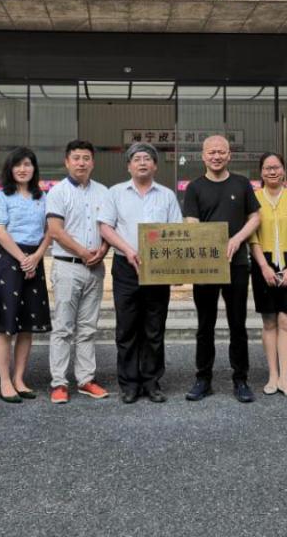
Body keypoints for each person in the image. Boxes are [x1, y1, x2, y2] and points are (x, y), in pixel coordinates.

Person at [99, 142, 183, 404]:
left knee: (154, 327)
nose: (142, 162)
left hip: (158, 267)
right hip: (126, 266)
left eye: (147, 158)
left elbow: (177, 231)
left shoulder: (167, 195)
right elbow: (105, 227)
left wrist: (174, 269)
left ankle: (151, 381)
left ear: (155, 166)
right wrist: (127, 249)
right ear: (129, 166)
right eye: (137, 159)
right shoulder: (115, 193)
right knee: (127, 327)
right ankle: (129, 384)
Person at [183, 135, 261, 403]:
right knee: (205, 325)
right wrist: (211, 243)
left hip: (237, 263)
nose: (216, 156)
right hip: (205, 265)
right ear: (203, 156)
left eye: (221, 152)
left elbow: (255, 217)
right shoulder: (194, 187)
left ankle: (241, 379)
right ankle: (203, 379)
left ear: (229, 155)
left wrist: (237, 239)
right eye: (211, 152)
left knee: (237, 324)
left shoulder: (242, 184)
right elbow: (191, 222)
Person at [45, 140, 111, 403]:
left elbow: (109, 227)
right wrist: (84, 253)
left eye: (86, 158)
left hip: (96, 267)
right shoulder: (57, 192)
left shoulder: (104, 192)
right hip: (67, 266)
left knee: (88, 327)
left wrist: (103, 250)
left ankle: (85, 379)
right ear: (67, 162)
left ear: (93, 162)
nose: (81, 163)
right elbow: (55, 231)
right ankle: (59, 383)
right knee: (63, 327)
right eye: (76, 158)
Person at [0, 147, 52, 403]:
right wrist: (23, 258)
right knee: (6, 326)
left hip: (35, 260)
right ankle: (4, 381)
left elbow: (51, 230)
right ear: (10, 169)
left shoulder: (42, 196)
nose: (23, 169)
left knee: (27, 326)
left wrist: (36, 256)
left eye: (27, 164)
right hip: (9, 260)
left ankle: (19, 379)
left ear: (34, 168)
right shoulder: (1, 195)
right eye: (18, 165)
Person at [249, 152, 287, 398]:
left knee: (286, 320)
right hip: (262, 260)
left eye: (276, 167)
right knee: (269, 321)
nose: (272, 171)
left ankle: (285, 377)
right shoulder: (253, 198)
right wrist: (264, 267)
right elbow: (252, 237)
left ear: (284, 170)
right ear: (261, 172)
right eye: (267, 168)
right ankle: (272, 374)